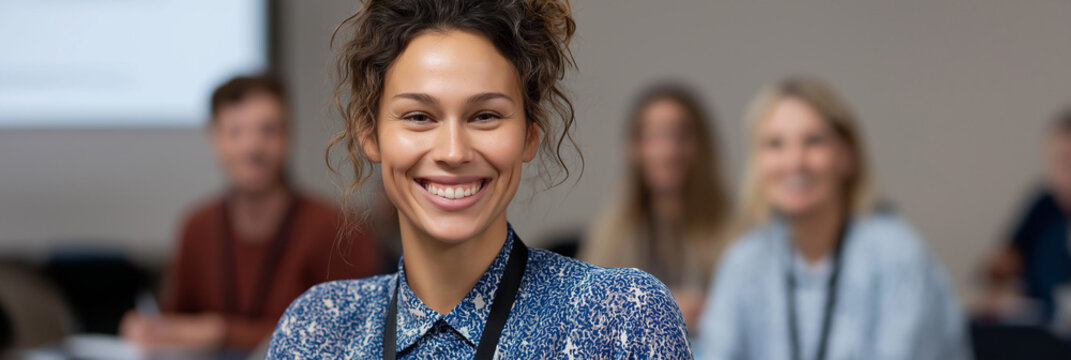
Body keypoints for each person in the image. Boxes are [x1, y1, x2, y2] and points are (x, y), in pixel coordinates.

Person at [266, 0, 692, 358]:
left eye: (485, 116)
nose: (453, 151)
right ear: (370, 136)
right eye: (419, 117)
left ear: (529, 135)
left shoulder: (620, 317)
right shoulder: (317, 330)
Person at [697, 76, 969, 360]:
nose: (794, 162)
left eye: (813, 141)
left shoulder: (896, 255)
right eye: (775, 144)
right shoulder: (745, 261)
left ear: (847, 155)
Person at [120, 75, 383, 352]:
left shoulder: (337, 229)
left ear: (288, 136)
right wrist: (153, 329)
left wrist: (220, 333)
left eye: (267, 131)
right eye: (235, 132)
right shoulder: (197, 227)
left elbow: (352, 332)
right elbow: (177, 323)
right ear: (215, 140)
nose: (252, 147)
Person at [581, 82, 730, 336]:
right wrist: (663, 306)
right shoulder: (613, 230)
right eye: (652, 137)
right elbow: (588, 311)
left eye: (679, 136)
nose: (667, 151)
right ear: (634, 149)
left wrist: (711, 310)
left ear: (700, 146)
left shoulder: (734, 229)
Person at [979, 106, 1071, 323]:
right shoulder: (1044, 206)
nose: (1059, 173)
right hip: (1039, 324)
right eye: (1055, 162)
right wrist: (1000, 279)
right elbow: (1006, 257)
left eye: (1066, 161)